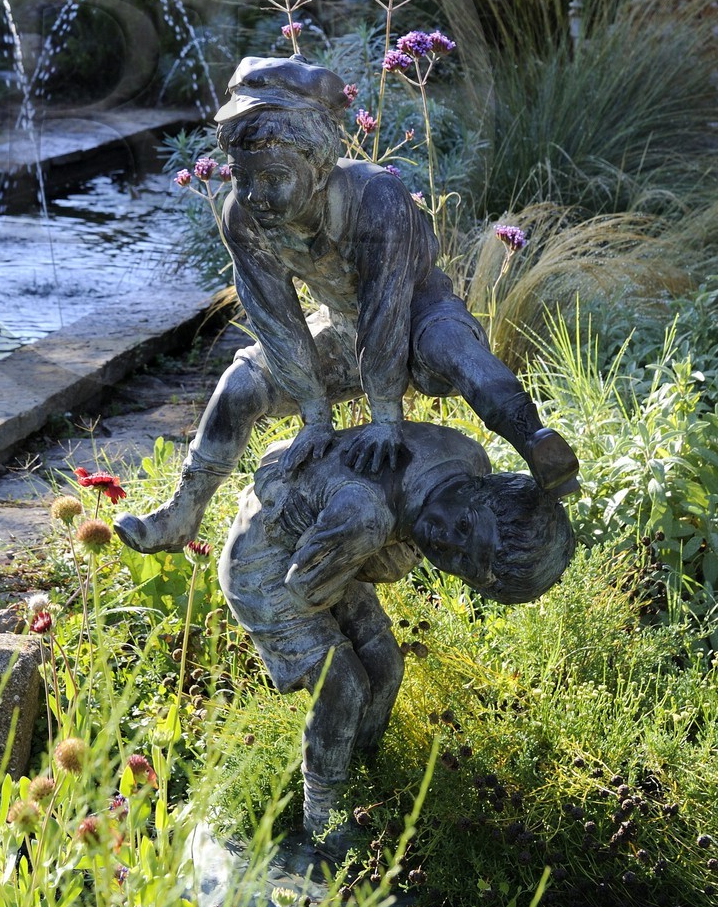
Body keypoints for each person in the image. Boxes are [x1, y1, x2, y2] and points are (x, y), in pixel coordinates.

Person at [116, 55, 578, 556]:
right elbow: (276, 318)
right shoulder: (244, 216)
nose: (256, 196)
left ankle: (535, 441)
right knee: (239, 385)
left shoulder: (376, 197)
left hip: (420, 311)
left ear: (316, 165)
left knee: (456, 352)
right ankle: (183, 512)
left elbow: (386, 309)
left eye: (272, 177)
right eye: (242, 178)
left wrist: (385, 418)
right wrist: (314, 413)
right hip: (343, 327)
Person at [218, 419, 576, 846]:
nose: (445, 540)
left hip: (326, 547)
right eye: (463, 528)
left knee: (387, 664)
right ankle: (322, 814)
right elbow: (308, 589)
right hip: (267, 562)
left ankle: (363, 773)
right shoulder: (364, 518)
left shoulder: (469, 465)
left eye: (463, 563)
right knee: (343, 683)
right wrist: (387, 553)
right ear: (483, 493)